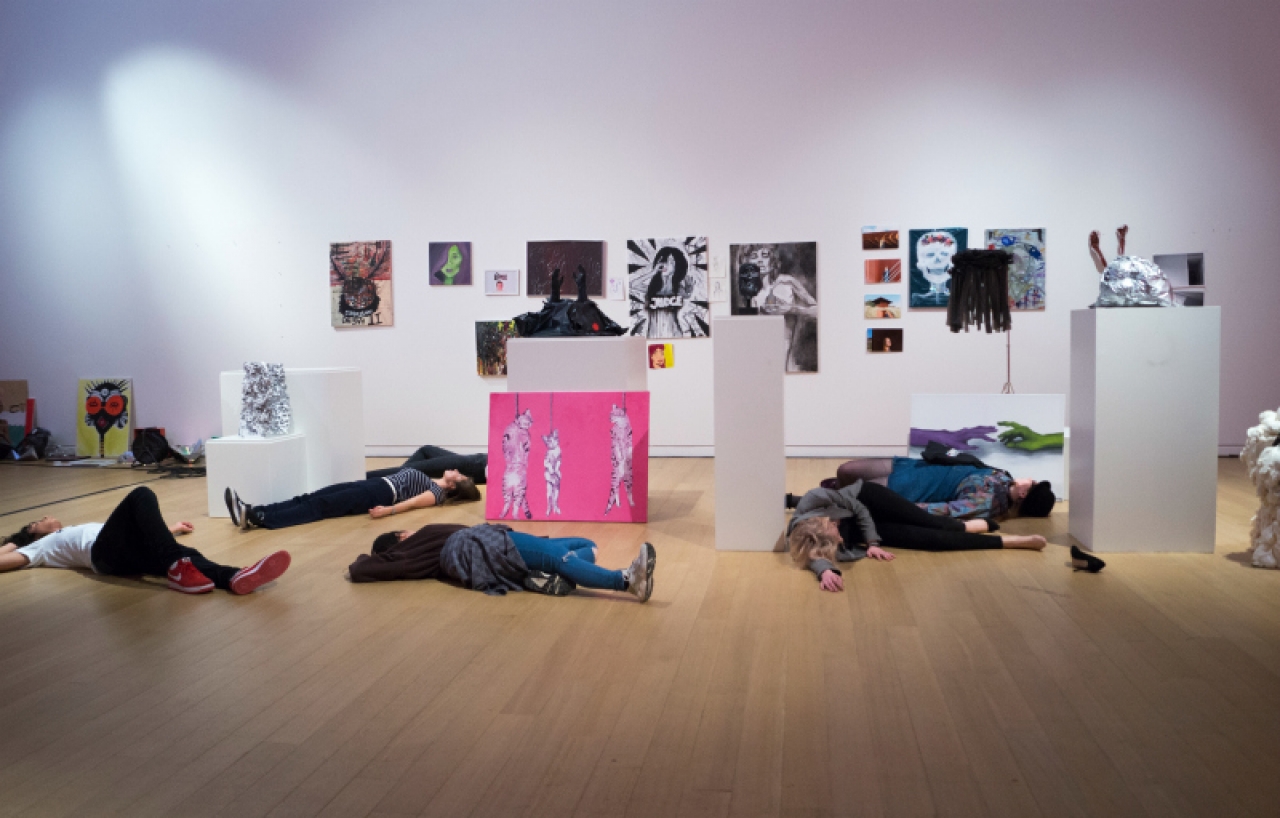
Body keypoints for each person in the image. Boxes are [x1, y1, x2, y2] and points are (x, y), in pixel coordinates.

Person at [1, 486, 289, 594]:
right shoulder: (38, 547)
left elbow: (137, 529)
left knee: (186, 552)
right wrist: (14, 542)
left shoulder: (70, 530)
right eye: (40, 520)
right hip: (105, 556)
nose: (48, 517)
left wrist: (170, 529)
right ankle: (178, 569)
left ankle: (234, 577)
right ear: (33, 531)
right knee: (141, 495)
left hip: (124, 552)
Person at [778, 481, 1052, 591]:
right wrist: (825, 571)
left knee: (927, 521)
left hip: (868, 500)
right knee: (929, 541)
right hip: (864, 528)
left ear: (823, 521)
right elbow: (811, 553)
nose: (840, 539)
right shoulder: (806, 536)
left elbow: (859, 509)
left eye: (836, 533)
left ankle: (968, 526)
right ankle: (1008, 542)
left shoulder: (815, 498)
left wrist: (872, 542)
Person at [346, 523, 656, 601]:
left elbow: (364, 568)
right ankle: (626, 581)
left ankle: (546, 577)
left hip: (492, 549)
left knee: (584, 547)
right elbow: (359, 569)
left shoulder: (415, 561)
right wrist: (369, 557)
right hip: (493, 543)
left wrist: (371, 558)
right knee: (561, 557)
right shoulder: (419, 540)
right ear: (401, 536)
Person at [225, 467, 480, 531]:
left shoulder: (436, 493)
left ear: (454, 486)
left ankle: (261, 519)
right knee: (311, 496)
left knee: (320, 506)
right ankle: (252, 510)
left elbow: (412, 503)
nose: (456, 470)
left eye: (459, 475)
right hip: (374, 485)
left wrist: (387, 511)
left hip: (379, 494)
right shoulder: (434, 481)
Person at [834, 456, 1055, 521]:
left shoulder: (987, 505)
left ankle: (836, 504)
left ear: (1023, 494)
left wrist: (897, 507)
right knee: (846, 470)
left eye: (1032, 483)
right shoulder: (1004, 476)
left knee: (855, 493)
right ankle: (837, 496)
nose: (1030, 478)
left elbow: (945, 511)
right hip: (916, 467)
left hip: (913, 488)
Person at [365, 445, 487, 484]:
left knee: (411, 469)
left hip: (473, 465)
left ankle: (361, 479)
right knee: (426, 450)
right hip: (475, 461)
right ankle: (400, 482)